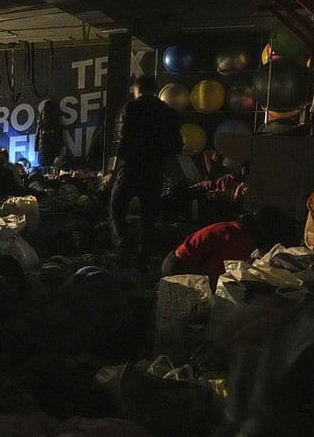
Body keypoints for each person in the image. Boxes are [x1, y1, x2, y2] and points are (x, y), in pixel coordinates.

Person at [109, 74, 183, 270]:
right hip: (154, 171)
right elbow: (176, 146)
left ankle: (124, 244)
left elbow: (122, 144)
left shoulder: (131, 108)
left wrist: (112, 172)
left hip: (131, 168)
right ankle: (143, 259)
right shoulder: (169, 113)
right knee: (148, 219)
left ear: (138, 88)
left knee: (116, 207)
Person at [160, 206, 288, 288]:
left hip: (176, 260)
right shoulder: (241, 239)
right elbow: (212, 274)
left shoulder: (236, 228)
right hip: (180, 269)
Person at [34, 99, 64, 173]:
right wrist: (61, 143)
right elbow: (59, 131)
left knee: (44, 167)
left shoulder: (41, 118)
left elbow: (37, 133)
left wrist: (36, 147)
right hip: (53, 145)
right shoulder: (56, 116)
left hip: (43, 147)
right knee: (54, 166)